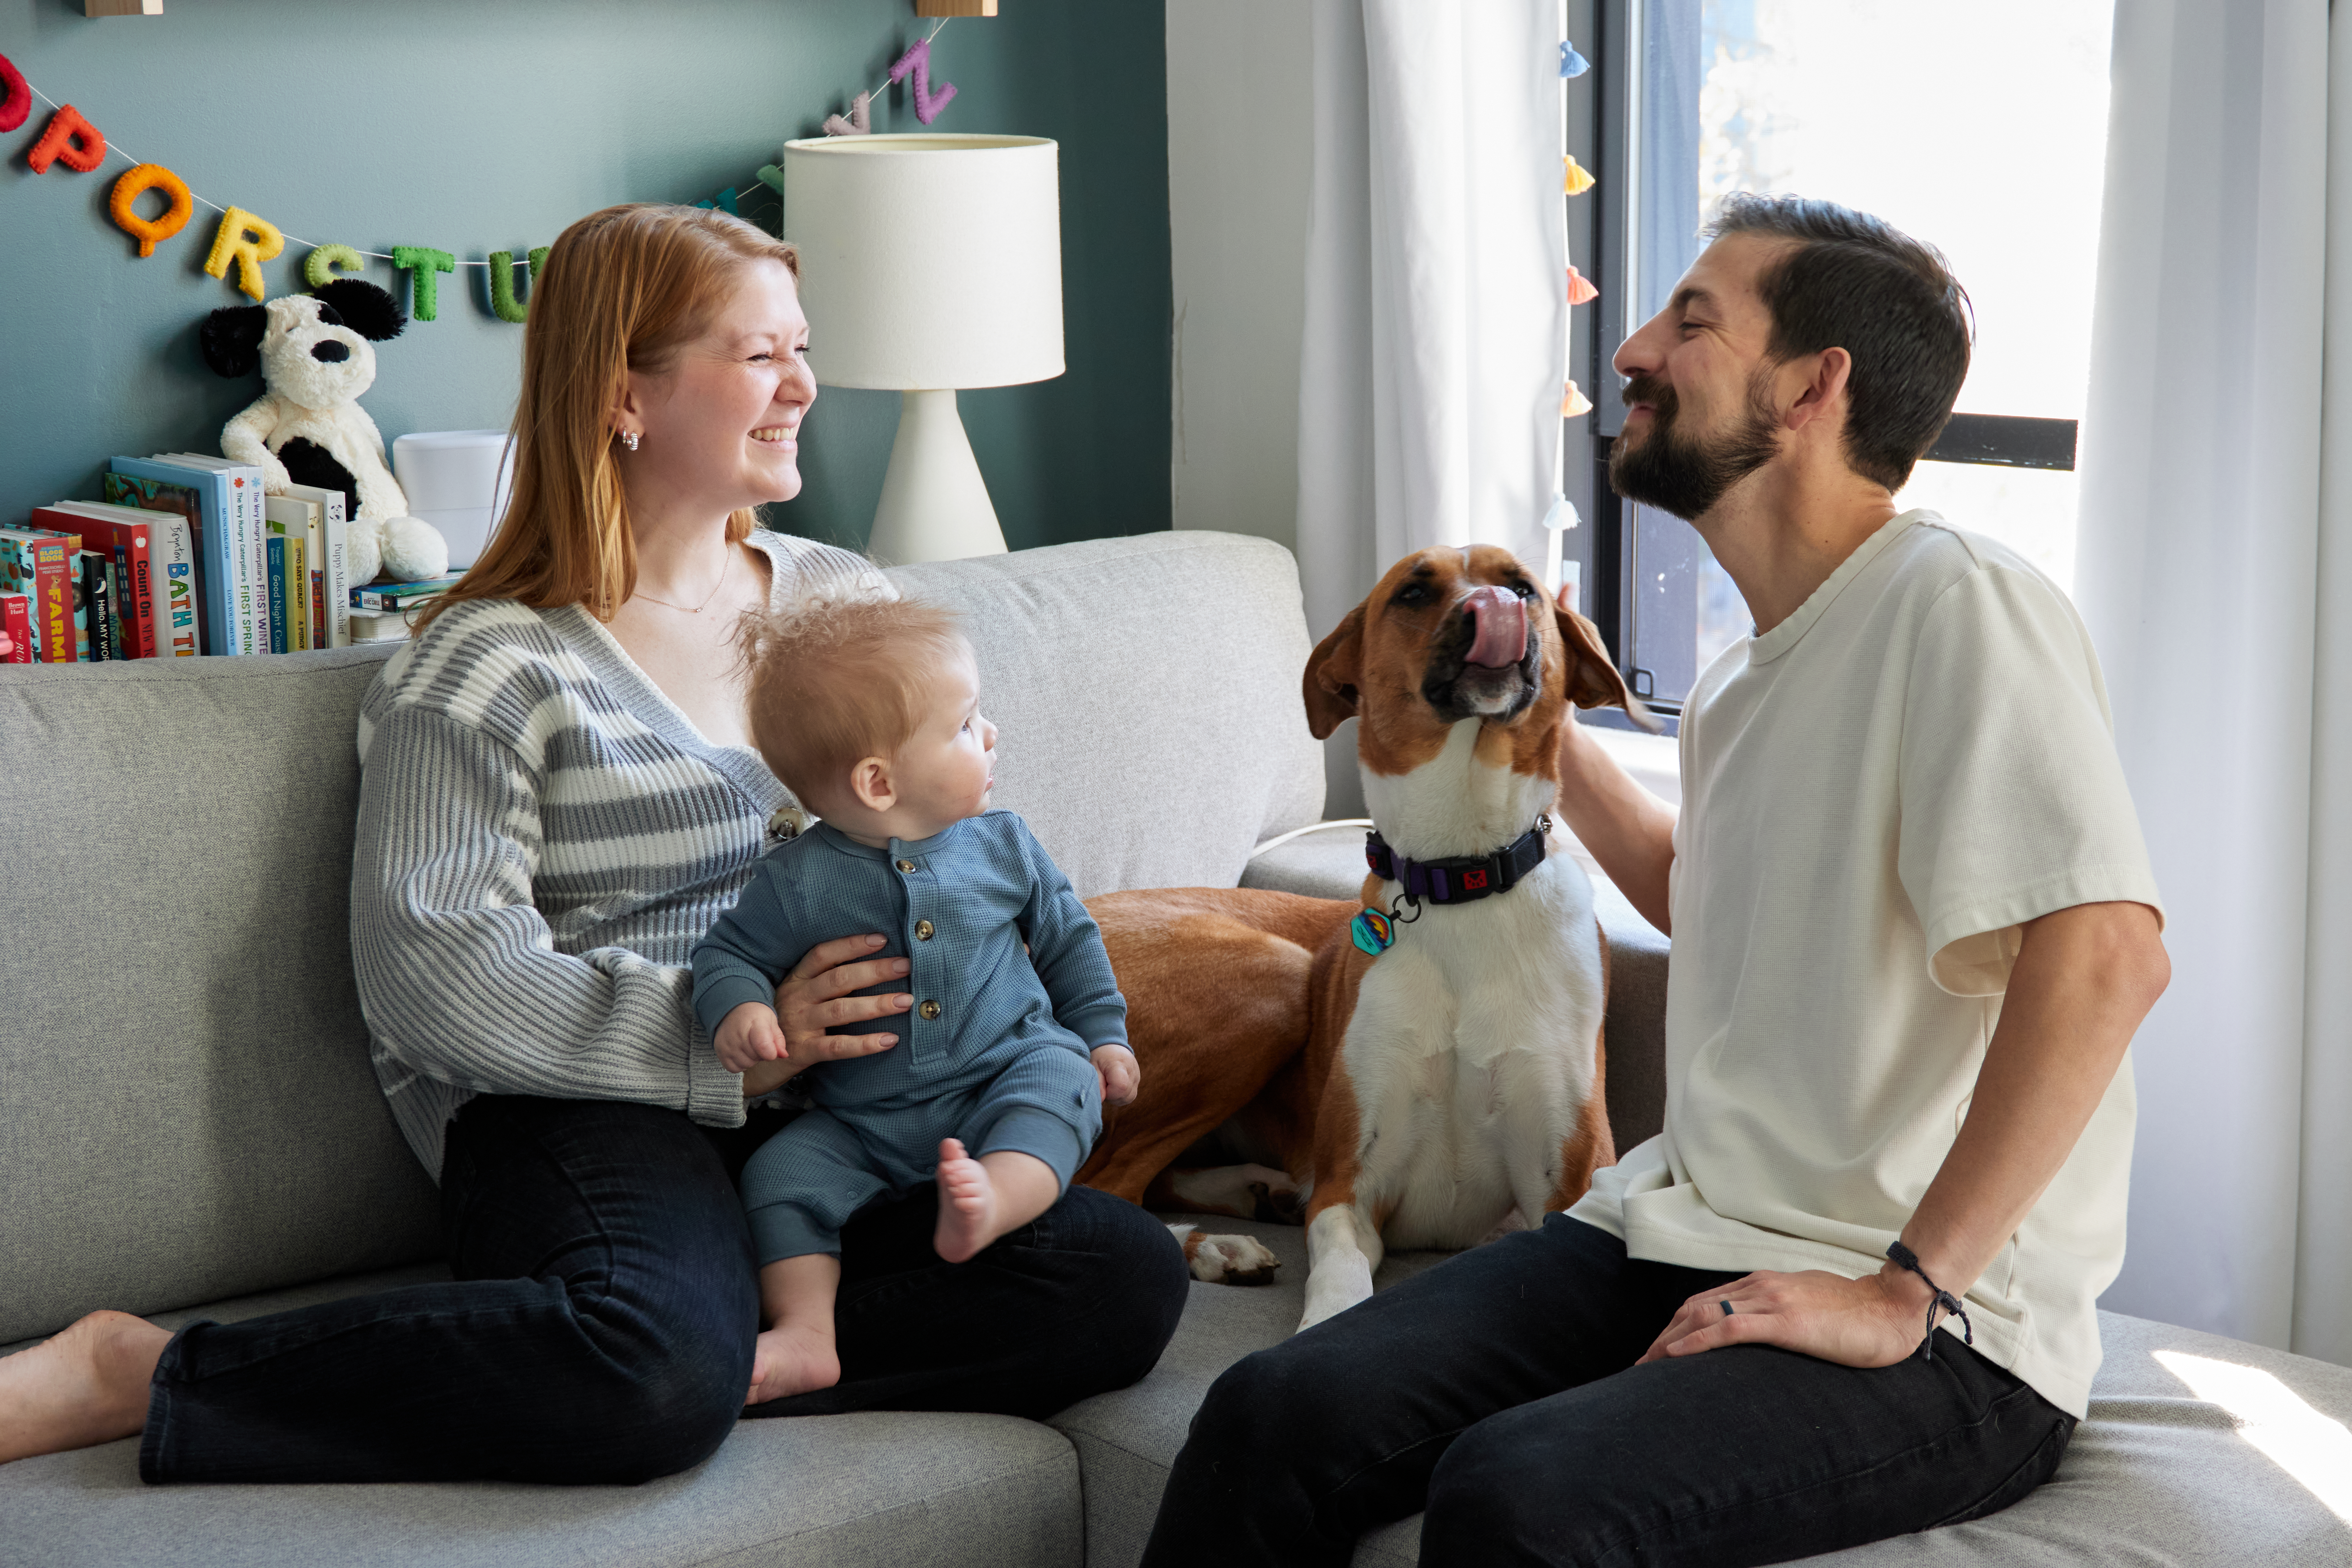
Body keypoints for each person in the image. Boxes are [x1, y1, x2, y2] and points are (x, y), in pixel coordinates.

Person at [0, 202, 1187, 1480]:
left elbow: (972, 842)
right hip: (587, 1110)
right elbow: (438, 972)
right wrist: (731, 1035)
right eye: (757, 355)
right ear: (627, 389)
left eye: (801, 346)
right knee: (651, 1363)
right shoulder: (488, 660)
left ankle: (719, 1333)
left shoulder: (849, 600)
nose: (801, 384)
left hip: (849, 1119)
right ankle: (151, 1368)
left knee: (1116, 1276)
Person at [1139, 194, 2172, 1567]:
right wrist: (1515, 717)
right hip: (1677, 1226)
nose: (1630, 349)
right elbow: (1714, 899)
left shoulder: (1956, 601)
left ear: (1812, 386)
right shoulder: (1744, 681)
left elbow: (2107, 955)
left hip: (1948, 1330)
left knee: (1518, 1494)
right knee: (1269, 1410)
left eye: (1691, 321)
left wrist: (1905, 1286)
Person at [693, 595, 1145, 1405]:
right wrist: (741, 1012)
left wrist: (1103, 1035)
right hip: (861, 1124)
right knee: (778, 1175)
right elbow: (728, 953)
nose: (992, 735)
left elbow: (1072, 941)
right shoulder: (798, 882)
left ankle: (997, 1198)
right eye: (967, 725)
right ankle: (806, 1333)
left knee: (1064, 1079)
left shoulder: (1006, 844)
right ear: (878, 781)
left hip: (1001, 1073)